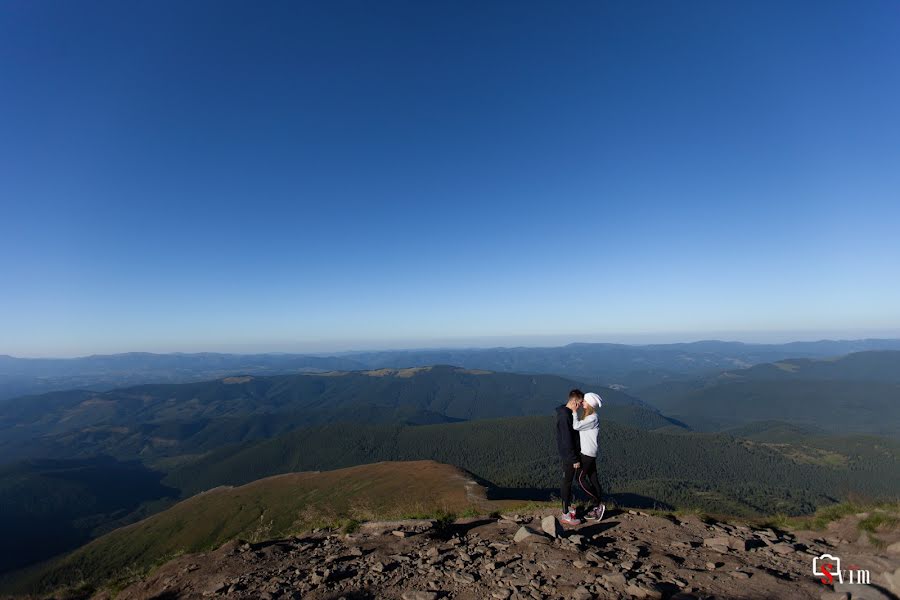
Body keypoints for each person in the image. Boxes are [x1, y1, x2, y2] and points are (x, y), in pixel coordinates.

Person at [573, 391, 605, 521]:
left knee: (580, 479)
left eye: (584, 401)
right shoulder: (591, 417)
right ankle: (598, 506)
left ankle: (597, 503)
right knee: (593, 479)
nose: (582, 403)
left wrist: (574, 412)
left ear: (590, 403)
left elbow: (576, 426)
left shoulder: (592, 418)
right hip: (590, 453)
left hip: (587, 453)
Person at [556, 388, 584, 526]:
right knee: (567, 482)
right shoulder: (565, 416)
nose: (579, 407)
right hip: (568, 456)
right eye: (578, 404)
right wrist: (574, 459)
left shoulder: (564, 413)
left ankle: (567, 507)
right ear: (573, 401)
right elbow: (567, 440)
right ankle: (565, 514)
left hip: (568, 454)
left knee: (568, 482)